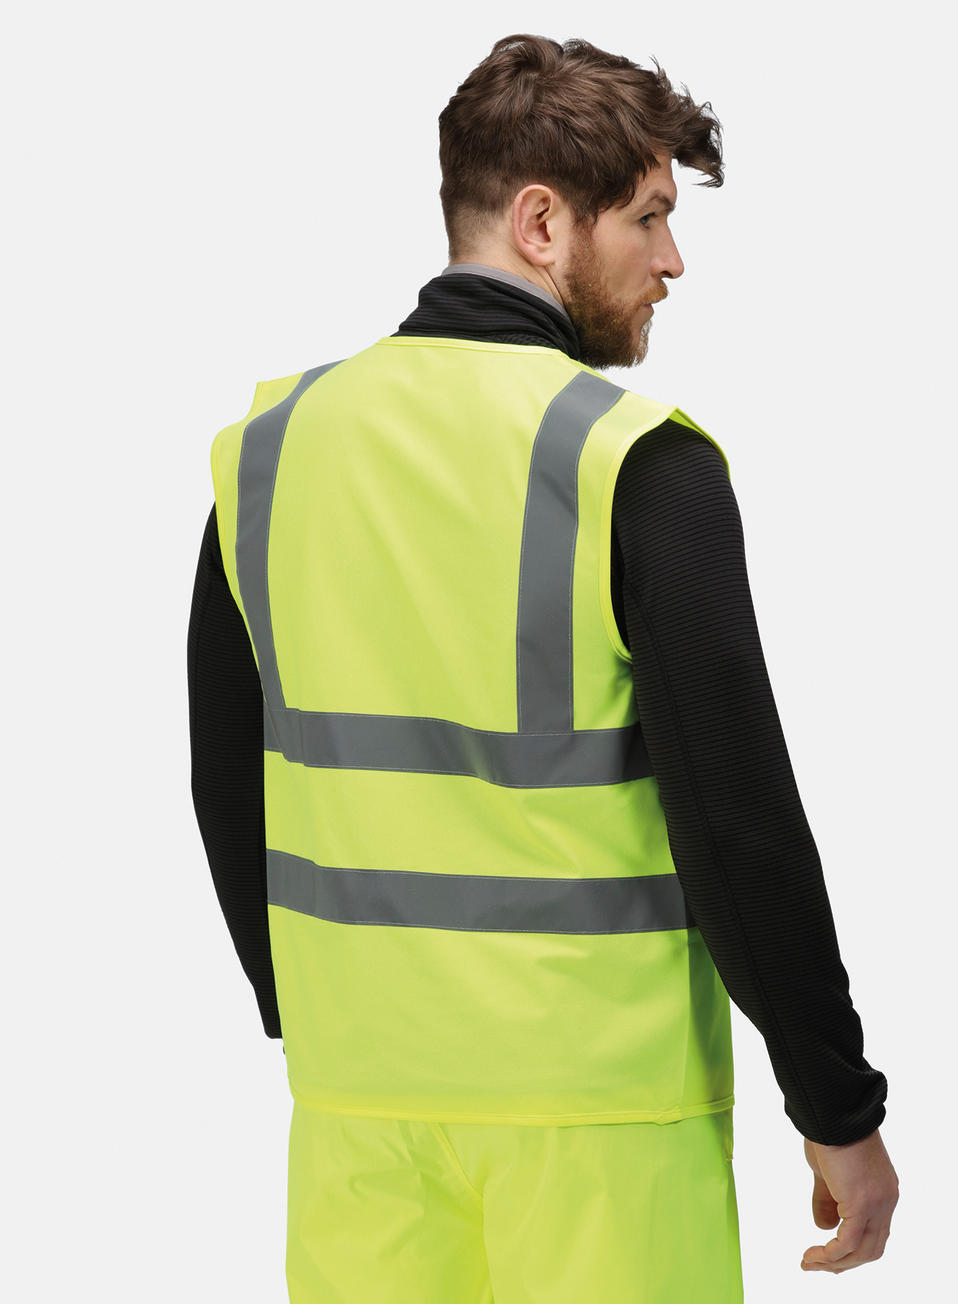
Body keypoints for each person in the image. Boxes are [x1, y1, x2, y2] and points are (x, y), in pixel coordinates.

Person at [187, 32, 898, 1302]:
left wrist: (315, 1016)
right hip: (599, 1117)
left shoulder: (271, 449)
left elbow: (225, 772)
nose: (672, 261)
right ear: (539, 222)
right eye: (649, 217)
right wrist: (834, 1101)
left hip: (361, 1105)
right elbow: (735, 817)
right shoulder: (634, 461)